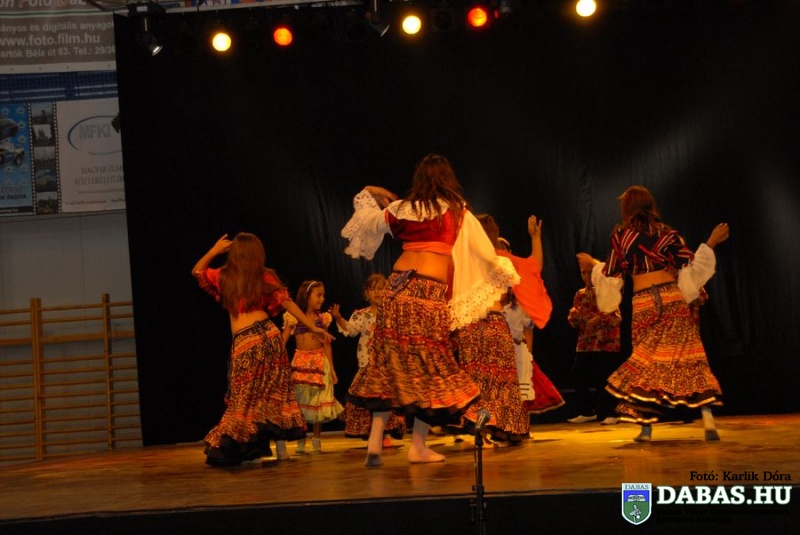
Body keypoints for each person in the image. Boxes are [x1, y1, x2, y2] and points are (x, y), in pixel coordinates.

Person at [341, 153, 519, 466]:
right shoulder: (457, 210)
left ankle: (374, 443)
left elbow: (365, 221)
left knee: (387, 362)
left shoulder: (401, 209)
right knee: (431, 367)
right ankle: (418, 447)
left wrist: (369, 191)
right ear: (448, 179)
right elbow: (482, 250)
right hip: (426, 292)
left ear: (419, 180)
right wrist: (504, 269)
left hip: (396, 289)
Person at [578, 185, 730, 442]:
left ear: (627, 208)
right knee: (689, 357)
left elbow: (612, 274)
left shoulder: (621, 236)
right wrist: (711, 242)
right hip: (672, 299)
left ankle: (646, 430)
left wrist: (594, 266)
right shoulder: (667, 233)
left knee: (645, 362)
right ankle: (707, 419)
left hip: (644, 302)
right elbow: (689, 266)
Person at [192, 233, 334, 466]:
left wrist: (214, 251)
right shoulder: (263, 276)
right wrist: (311, 326)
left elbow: (197, 271)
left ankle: (248, 451)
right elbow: (287, 302)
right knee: (272, 395)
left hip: (247, 343)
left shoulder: (225, 275)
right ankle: (279, 449)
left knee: (246, 399)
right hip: (270, 337)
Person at [479, 217, 564, 421]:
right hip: (489, 329)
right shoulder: (493, 260)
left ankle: (509, 423)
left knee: (507, 385)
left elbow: (532, 267)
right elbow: (532, 266)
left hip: (498, 334)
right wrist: (535, 238)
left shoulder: (494, 261)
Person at [330, 273, 406, 446]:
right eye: (373, 289)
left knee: (386, 401)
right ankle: (372, 434)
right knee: (370, 402)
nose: (377, 293)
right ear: (366, 293)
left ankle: (385, 434)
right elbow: (350, 330)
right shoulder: (362, 315)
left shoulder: (392, 313)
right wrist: (339, 318)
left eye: (380, 288)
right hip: (368, 365)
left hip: (387, 366)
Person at [282, 280, 344, 454]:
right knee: (300, 401)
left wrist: (332, 369)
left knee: (317, 401)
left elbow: (326, 344)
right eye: (318, 295)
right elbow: (283, 340)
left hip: (318, 361)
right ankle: (301, 439)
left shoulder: (322, 318)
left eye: (323, 295)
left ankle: (316, 440)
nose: (322, 299)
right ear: (307, 296)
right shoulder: (293, 317)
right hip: (300, 362)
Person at [567, 255, 622, 425]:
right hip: (585, 344)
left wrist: (600, 319)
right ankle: (586, 411)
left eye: (588, 272)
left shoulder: (606, 291)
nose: (585, 276)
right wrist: (573, 317)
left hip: (605, 343)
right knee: (579, 376)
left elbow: (616, 318)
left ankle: (610, 413)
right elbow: (575, 322)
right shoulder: (580, 294)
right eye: (582, 273)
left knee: (603, 379)